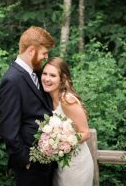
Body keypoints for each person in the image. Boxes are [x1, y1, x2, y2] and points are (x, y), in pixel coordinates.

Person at [0, 26, 56, 186]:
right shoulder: (12, 80)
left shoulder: (37, 73)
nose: (46, 57)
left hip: (46, 162)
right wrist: (26, 160)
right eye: (44, 53)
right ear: (31, 51)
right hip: (30, 167)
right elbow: (8, 129)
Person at [41, 57, 94, 186]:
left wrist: (60, 142)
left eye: (52, 75)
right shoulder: (48, 99)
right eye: (44, 73)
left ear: (62, 79)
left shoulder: (67, 101)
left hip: (77, 165)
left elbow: (86, 133)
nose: (47, 79)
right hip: (61, 164)